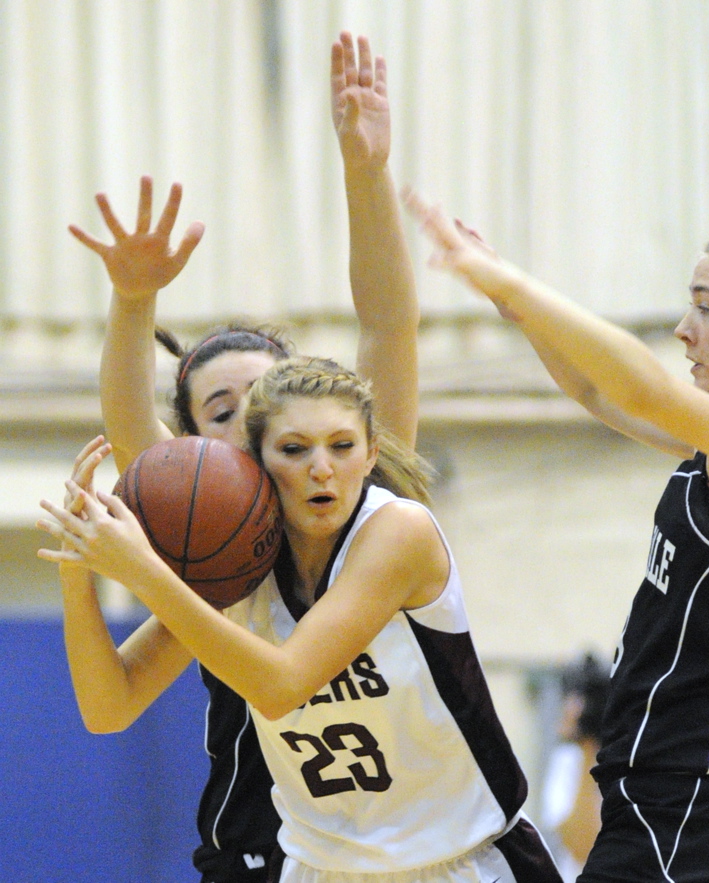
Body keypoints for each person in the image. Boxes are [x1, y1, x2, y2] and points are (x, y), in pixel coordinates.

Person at [64, 32, 420, 882]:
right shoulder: (215, 564)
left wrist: (366, 172)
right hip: (261, 852)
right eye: (223, 413)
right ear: (189, 445)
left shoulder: (373, 501)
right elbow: (109, 704)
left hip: (414, 852)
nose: (253, 428)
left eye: (270, 403)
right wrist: (133, 298)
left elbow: (386, 327)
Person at [37, 356, 564, 883]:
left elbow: (282, 684)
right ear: (256, 462)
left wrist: (145, 571)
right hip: (319, 868)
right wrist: (76, 567)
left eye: (342, 446)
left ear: (371, 453)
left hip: (462, 862)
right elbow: (109, 707)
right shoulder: (236, 559)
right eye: (294, 449)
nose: (321, 468)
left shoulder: (398, 533)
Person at [405, 191, 709, 883]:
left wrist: (512, 283)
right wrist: (517, 308)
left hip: (695, 812)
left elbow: (644, 388)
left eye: (705, 307)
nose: (682, 329)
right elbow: (598, 391)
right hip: (656, 802)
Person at [540, 654, 610, 883]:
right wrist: (587, 747)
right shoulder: (568, 760)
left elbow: (587, 847)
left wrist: (592, 743)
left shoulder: (626, 759)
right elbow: (579, 848)